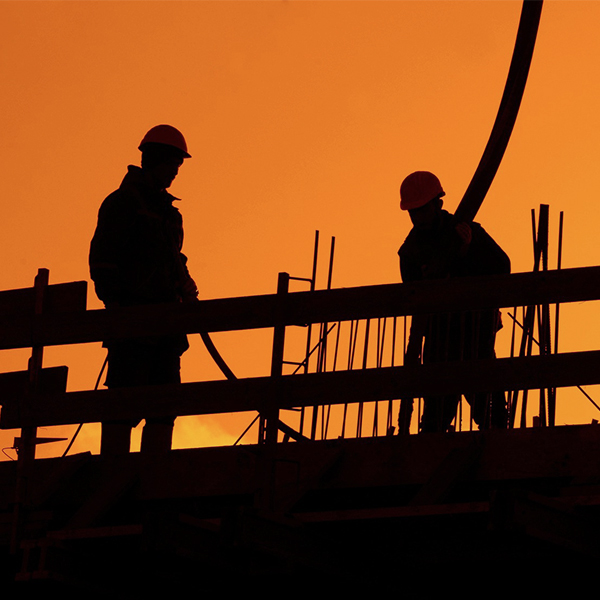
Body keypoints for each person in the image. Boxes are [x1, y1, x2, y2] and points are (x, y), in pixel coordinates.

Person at [89, 124, 198, 453]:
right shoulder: (123, 204)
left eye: (178, 167)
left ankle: (154, 474)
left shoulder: (168, 214)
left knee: (164, 406)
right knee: (123, 404)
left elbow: (170, 258)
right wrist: (119, 310)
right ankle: (114, 470)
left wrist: (185, 284)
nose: (175, 173)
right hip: (133, 326)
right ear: (156, 160)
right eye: (172, 165)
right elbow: (104, 261)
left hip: (166, 328)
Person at [397, 171, 510, 433]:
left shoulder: (466, 231)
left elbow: (503, 268)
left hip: (476, 334)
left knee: (492, 415)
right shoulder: (411, 250)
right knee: (436, 417)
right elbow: (411, 296)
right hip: (439, 339)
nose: (418, 218)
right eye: (413, 212)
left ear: (438, 204)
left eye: (422, 210)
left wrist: (468, 252)